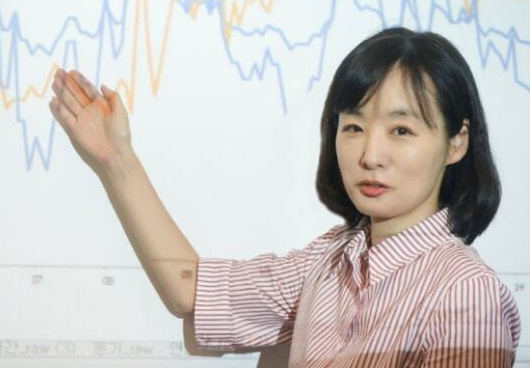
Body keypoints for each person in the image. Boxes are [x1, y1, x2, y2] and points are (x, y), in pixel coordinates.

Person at [49, 27, 521, 367]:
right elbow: (190, 291)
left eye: (401, 130)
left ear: (456, 143)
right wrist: (116, 160)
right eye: (353, 127)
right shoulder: (330, 260)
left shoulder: (466, 292)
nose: (370, 155)